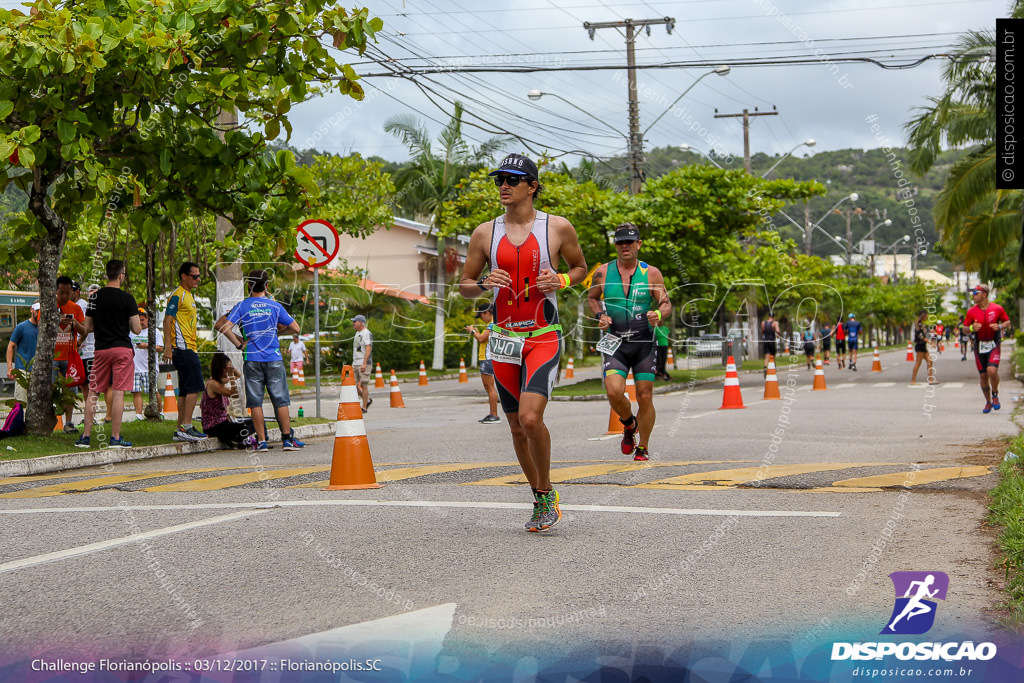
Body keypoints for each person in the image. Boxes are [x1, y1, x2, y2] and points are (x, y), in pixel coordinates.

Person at [459, 152, 587, 532]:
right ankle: (539, 496)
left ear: (531, 186)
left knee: (531, 418)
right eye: (500, 180)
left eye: (512, 180)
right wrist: (483, 284)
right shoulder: (485, 233)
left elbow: (580, 267)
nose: (504, 186)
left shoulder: (558, 227)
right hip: (502, 339)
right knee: (515, 426)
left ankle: (547, 490)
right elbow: (465, 285)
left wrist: (561, 281)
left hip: (542, 336)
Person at [588, 223, 671, 462]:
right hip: (616, 343)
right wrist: (600, 316)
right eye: (620, 242)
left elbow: (665, 303)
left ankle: (643, 446)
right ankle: (628, 423)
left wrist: (659, 314)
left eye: (629, 242)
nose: (625, 246)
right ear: (615, 245)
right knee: (614, 391)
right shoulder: (602, 272)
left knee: (645, 396)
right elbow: (593, 299)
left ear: (638, 244)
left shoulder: (651, 273)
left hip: (644, 343)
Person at [214, 269, 304, 451]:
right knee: (281, 400)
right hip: (273, 357)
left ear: (249, 285)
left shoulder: (243, 306)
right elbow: (295, 328)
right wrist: (278, 332)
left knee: (255, 402)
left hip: (252, 358)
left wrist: (240, 345)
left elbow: (224, 327)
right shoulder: (274, 305)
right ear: (267, 285)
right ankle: (287, 440)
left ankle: (262, 442)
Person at [74, 260, 141, 449]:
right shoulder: (128, 299)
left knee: (93, 392)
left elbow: (86, 328)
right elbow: (136, 329)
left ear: (107, 275)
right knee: (118, 392)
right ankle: (115, 438)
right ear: (121, 275)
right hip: (122, 350)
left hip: (101, 350)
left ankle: (86, 437)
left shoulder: (94, 298)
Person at [163, 262, 208, 442]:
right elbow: (167, 320)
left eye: (198, 276)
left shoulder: (188, 295)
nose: (198, 279)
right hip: (183, 348)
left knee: (185, 390)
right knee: (196, 387)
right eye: (194, 276)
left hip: (189, 347)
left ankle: (181, 427)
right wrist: (168, 346)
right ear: (184, 276)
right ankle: (187, 426)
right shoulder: (177, 296)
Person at [963, 284, 1011, 413]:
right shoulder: (971, 311)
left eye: (976, 293)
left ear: (984, 294)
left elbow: (1007, 322)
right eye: (972, 293)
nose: (973, 295)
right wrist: (972, 328)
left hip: (993, 344)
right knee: (983, 376)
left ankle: (995, 395)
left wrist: (1000, 327)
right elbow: (965, 328)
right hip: (979, 345)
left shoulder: (997, 308)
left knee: (992, 371)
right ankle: (988, 401)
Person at [201, 351, 257, 450]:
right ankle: (240, 440)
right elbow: (234, 394)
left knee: (255, 421)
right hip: (213, 426)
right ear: (220, 368)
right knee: (241, 428)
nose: (228, 372)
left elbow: (239, 375)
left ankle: (239, 439)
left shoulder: (220, 380)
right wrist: (231, 375)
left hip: (223, 422)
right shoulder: (213, 383)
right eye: (226, 369)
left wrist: (231, 367)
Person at [55, 275, 86, 432]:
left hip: (70, 357)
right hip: (53, 357)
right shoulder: (49, 307)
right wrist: (57, 321)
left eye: (68, 293)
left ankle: (68, 423)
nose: (65, 296)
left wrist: (74, 323)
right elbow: (41, 329)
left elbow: (85, 330)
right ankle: (52, 423)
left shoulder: (76, 308)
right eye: (62, 293)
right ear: (56, 291)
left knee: (70, 391)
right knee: (51, 391)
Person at [466, 302, 500, 424]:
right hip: (492, 358)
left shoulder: (491, 325)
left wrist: (472, 331)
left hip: (487, 358)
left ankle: (494, 414)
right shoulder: (495, 323)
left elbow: (481, 339)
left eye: (481, 315)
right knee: (491, 388)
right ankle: (493, 414)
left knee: (490, 388)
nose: (481, 318)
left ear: (486, 313)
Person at [129, 308, 161, 420]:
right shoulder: (131, 332)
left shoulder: (154, 331)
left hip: (149, 367)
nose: (141, 322)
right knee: (136, 391)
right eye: (138, 320)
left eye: (142, 320)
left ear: (147, 319)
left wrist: (147, 345)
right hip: (135, 367)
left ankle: (159, 412)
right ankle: (138, 415)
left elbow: (160, 348)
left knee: (153, 391)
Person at [6, 301, 40, 405]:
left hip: (38, 370)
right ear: (32, 310)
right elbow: (11, 346)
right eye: (37, 310)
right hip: (22, 370)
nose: (38, 313)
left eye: (40, 311)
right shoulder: (21, 327)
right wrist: (9, 368)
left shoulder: (44, 328)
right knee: (20, 403)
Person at [351, 315, 373, 413]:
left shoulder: (366, 333)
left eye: (354, 322)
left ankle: (364, 407)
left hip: (364, 363)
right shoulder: (357, 333)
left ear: (360, 322)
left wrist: (364, 363)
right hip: (355, 362)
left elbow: (368, 348)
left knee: (364, 384)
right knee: (353, 385)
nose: (353, 323)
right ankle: (367, 400)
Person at [910, 310, 935, 386]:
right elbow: (921, 337)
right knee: (918, 363)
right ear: (923, 316)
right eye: (926, 315)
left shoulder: (922, 325)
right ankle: (913, 380)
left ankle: (931, 379)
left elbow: (925, 334)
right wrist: (930, 342)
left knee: (930, 361)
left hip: (923, 346)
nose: (927, 317)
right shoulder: (918, 325)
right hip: (920, 346)